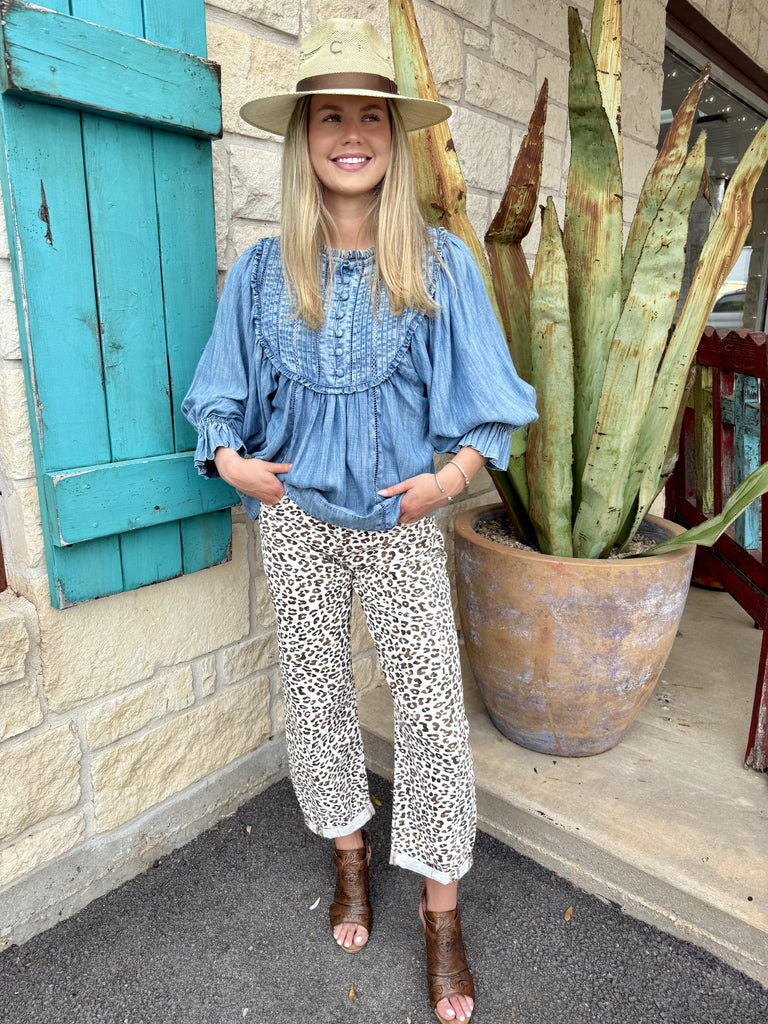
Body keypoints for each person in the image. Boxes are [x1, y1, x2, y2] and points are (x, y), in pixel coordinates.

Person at [183, 18, 537, 1023]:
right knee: (316, 691)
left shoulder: (438, 265)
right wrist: (234, 464)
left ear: (395, 137)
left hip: (401, 519)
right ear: (304, 137)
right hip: (295, 519)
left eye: (371, 117)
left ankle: (440, 908)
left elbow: (490, 404)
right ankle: (349, 855)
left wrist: (447, 480)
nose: (351, 134)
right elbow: (218, 396)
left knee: (430, 708)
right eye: (329, 116)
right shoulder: (264, 272)